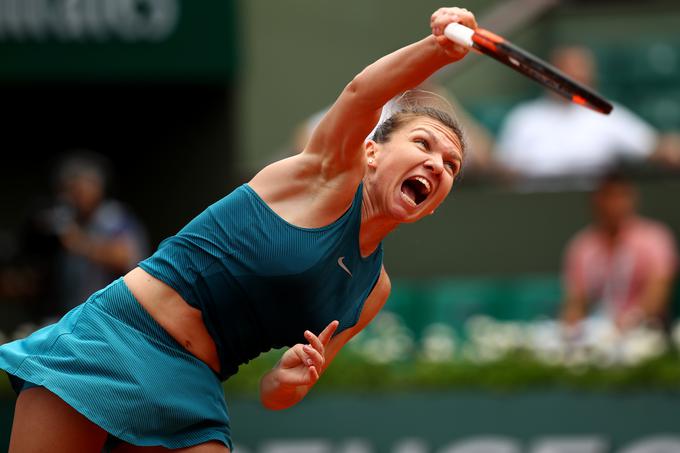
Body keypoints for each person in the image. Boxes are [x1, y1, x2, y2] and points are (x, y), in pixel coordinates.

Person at [0, 7, 475, 452]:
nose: (437, 164)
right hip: (115, 337)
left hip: (192, 386)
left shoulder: (373, 290)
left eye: (451, 165)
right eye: (423, 144)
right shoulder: (323, 176)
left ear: (435, 204)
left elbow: (277, 395)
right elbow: (361, 95)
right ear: (371, 152)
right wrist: (436, 50)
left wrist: (290, 378)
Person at [494, 45, 677, 180]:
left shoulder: (607, 113)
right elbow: (503, 169)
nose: (573, 78)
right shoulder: (524, 118)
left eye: (580, 72)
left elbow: (653, 148)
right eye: (566, 71)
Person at [561, 172, 678, 331]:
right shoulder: (582, 245)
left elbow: (658, 292)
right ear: (596, 201)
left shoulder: (654, 238)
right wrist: (572, 322)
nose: (614, 204)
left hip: (646, 330)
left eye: (621, 196)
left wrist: (632, 319)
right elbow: (575, 300)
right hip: (598, 331)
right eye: (608, 197)